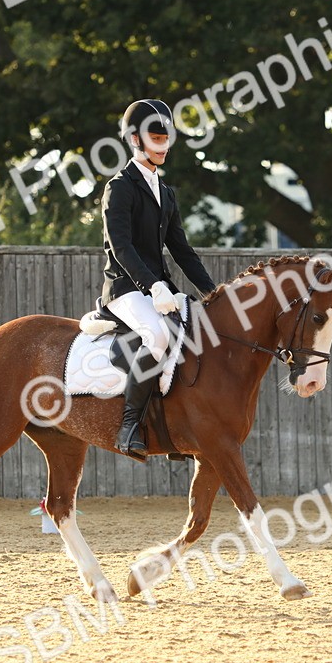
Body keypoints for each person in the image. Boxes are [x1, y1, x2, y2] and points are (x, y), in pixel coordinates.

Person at [100, 98, 216, 460]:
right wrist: (152, 285)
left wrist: (213, 293)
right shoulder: (120, 187)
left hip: (158, 288)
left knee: (200, 332)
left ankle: (172, 429)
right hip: (125, 288)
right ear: (135, 139)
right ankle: (130, 426)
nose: (163, 144)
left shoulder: (165, 192)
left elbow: (182, 251)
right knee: (159, 334)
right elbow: (121, 247)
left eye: (166, 137)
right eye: (155, 136)